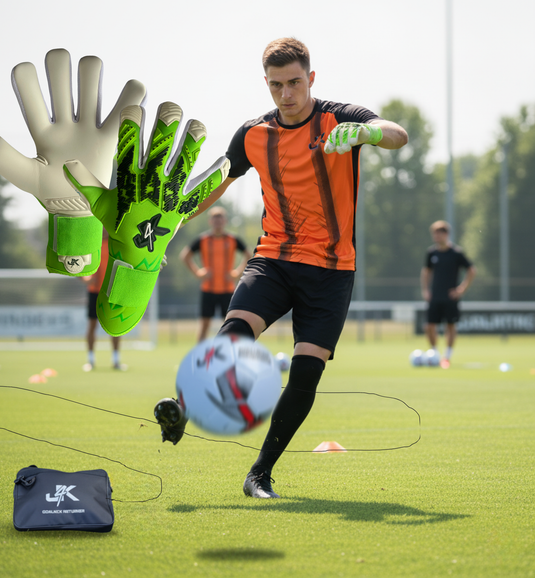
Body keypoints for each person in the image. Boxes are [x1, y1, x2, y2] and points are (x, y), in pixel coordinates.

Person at [154, 37, 408, 498]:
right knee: (235, 332)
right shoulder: (252, 133)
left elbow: (396, 134)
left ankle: (260, 474)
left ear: (311, 78)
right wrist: (169, 222)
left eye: (294, 83)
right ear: (266, 84)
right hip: (273, 259)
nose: (286, 94)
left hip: (332, 270)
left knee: (306, 372)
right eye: (276, 85)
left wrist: (368, 134)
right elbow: (216, 184)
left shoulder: (340, 118)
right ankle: (184, 405)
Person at [180, 206, 251, 342]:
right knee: (204, 325)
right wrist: (197, 272)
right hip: (208, 289)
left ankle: (230, 352)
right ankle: (199, 354)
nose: (218, 222)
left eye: (220, 219)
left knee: (230, 325)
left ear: (225, 221)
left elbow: (248, 255)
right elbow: (185, 256)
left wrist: (238, 272)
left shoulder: (232, 239)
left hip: (228, 289)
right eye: (215, 219)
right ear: (210, 221)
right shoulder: (203, 239)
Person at [420, 220, 476, 369]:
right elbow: (426, 271)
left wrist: (461, 289)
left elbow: (471, 270)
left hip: (450, 297)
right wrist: (425, 290)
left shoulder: (456, 253)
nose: (436, 237)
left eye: (438, 234)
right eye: (434, 234)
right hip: (435, 296)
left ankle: (447, 357)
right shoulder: (432, 253)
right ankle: (434, 354)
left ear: (446, 234)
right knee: (429, 326)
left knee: (450, 326)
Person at [81, 228, 126, 372]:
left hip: (112, 291)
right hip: (95, 292)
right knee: (92, 326)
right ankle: (90, 361)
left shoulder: (116, 244)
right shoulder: (91, 245)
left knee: (114, 327)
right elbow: (78, 266)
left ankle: (116, 361)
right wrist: (86, 279)